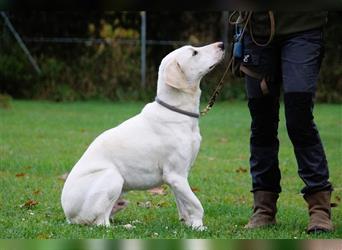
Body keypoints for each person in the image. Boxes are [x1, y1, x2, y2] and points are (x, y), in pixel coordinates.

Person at [238, 11, 334, 233]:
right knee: (262, 122)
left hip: (304, 26)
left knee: (299, 117)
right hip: (257, 31)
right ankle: (263, 209)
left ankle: (320, 209)